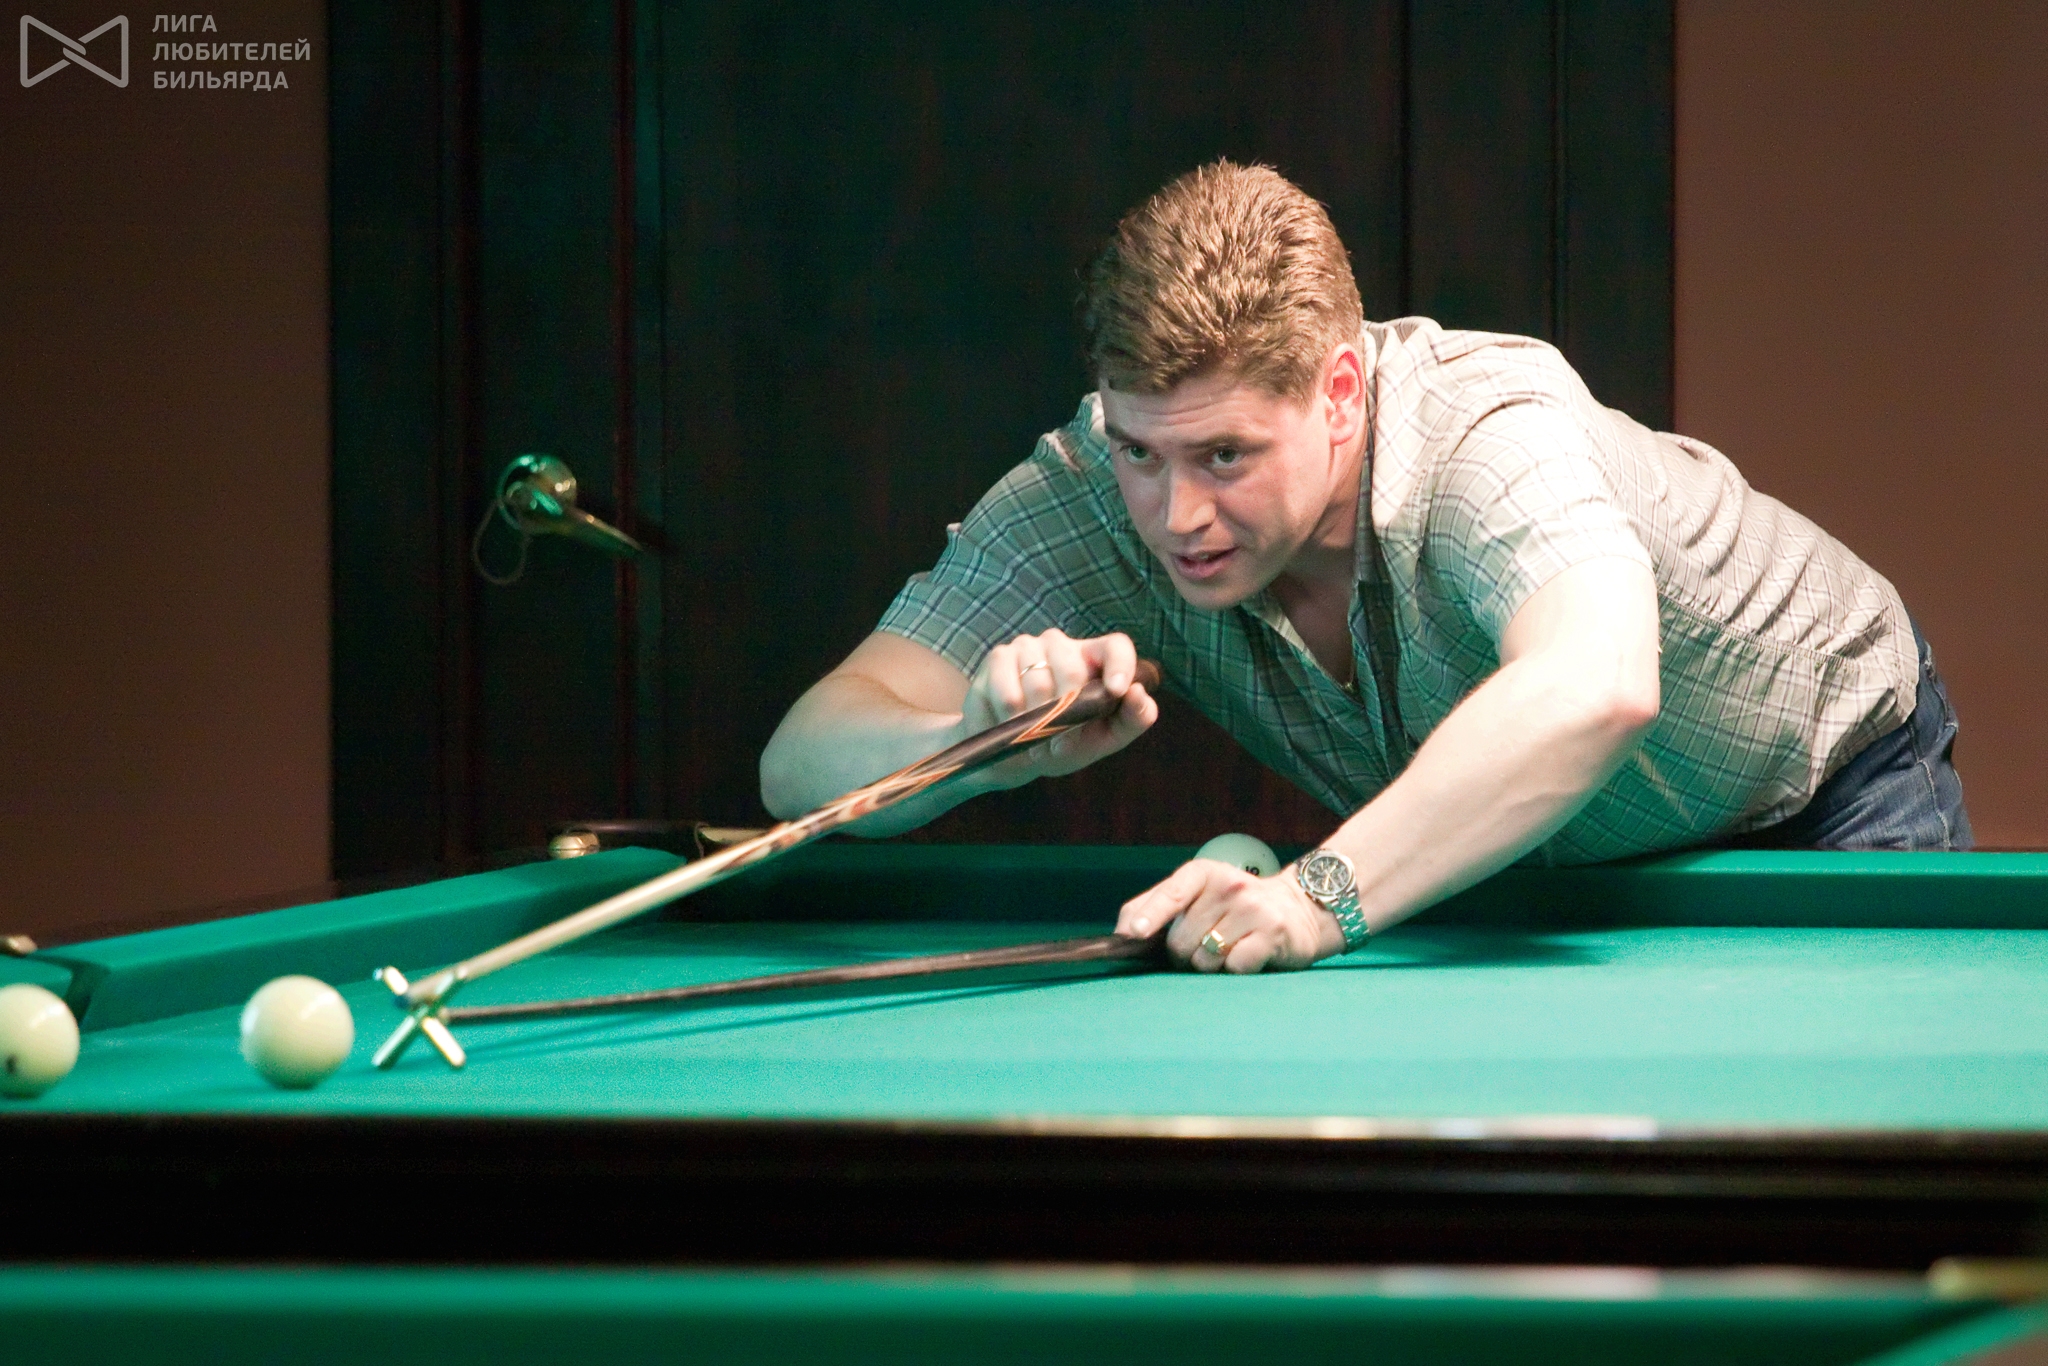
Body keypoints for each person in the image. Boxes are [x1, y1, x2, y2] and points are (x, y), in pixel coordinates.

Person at [759, 160, 1971, 975]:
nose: (1175, 512)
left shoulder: (1487, 435)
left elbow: (1596, 683)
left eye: (1225, 454)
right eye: (1139, 450)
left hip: (1821, 792)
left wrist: (1316, 894)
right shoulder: (1088, 489)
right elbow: (801, 757)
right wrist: (967, 737)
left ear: (1340, 392)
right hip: (1542, 843)